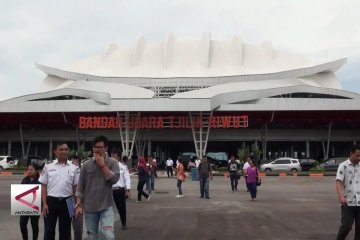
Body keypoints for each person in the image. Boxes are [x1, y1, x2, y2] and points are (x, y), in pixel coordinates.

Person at [75, 135, 120, 240]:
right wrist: (78, 205)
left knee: (108, 236)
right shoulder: (86, 165)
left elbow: (114, 180)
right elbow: (80, 186)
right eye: (95, 147)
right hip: (89, 207)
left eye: (100, 147)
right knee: (92, 236)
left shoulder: (113, 162)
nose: (97, 149)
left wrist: (103, 165)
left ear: (106, 148)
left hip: (106, 206)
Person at [39, 142, 80, 240]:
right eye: (61, 149)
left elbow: (76, 187)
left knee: (66, 232)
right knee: (49, 231)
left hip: (69, 201)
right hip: (51, 201)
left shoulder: (74, 166)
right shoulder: (48, 166)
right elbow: (43, 185)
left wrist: (77, 204)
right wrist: (44, 203)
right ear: (55, 152)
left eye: (66, 149)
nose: (64, 151)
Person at [336, 144, 360, 240]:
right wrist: (341, 196)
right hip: (348, 203)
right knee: (346, 226)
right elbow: (339, 182)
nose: (359, 158)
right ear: (351, 153)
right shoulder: (343, 166)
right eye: (357, 155)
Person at [19, 164, 41, 240]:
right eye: (28, 169)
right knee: (22, 224)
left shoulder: (40, 180)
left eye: (31, 169)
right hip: (25, 205)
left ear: (36, 171)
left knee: (34, 225)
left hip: (35, 205)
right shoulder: (25, 179)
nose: (29, 171)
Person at [111, 149, 131, 230]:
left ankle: (124, 223)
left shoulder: (123, 167)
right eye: (111, 156)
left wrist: (128, 190)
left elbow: (127, 178)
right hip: (109, 190)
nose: (112, 158)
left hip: (120, 190)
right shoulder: (107, 166)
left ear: (118, 157)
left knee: (121, 208)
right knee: (107, 209)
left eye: (114, 156)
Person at [70, 155, 83, 240]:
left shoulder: (83, 174)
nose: (74, 164)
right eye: (72, 162)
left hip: (79, 202)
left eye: (76, 163)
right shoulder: (66, 172)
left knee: (78, 227)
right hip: (68, 201)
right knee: (65, 227)